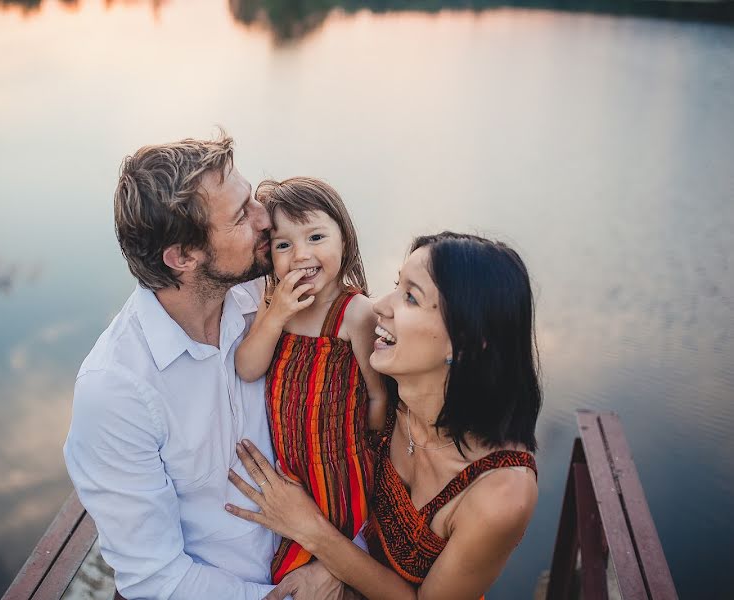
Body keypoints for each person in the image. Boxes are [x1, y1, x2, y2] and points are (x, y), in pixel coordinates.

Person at [63, 135, 349, 599]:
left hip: (322, 560)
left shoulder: (273, 296)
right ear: (182, 256)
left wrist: (335, 560)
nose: (266, 219)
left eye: (253, 198)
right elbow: (158, 579)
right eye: (241, 215)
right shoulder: (116, 391)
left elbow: (361, 427)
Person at [226, 232, 543, 599]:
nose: (380, 306)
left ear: (469, 340)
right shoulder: (382, 391)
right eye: (396, 285)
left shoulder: (502, 491)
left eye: (410, 296)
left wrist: (313, 532)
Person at [234, 177, 387, 583]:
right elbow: (248, 367)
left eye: (316, 236)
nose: (301, 255)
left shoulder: (356, 313)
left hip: (341, 468)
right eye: (284, 245)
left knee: (327, 554)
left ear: (344, 239)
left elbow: (378, 397)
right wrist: (276, 315)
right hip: (291, 469)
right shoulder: (274, 305)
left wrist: (369, 454)